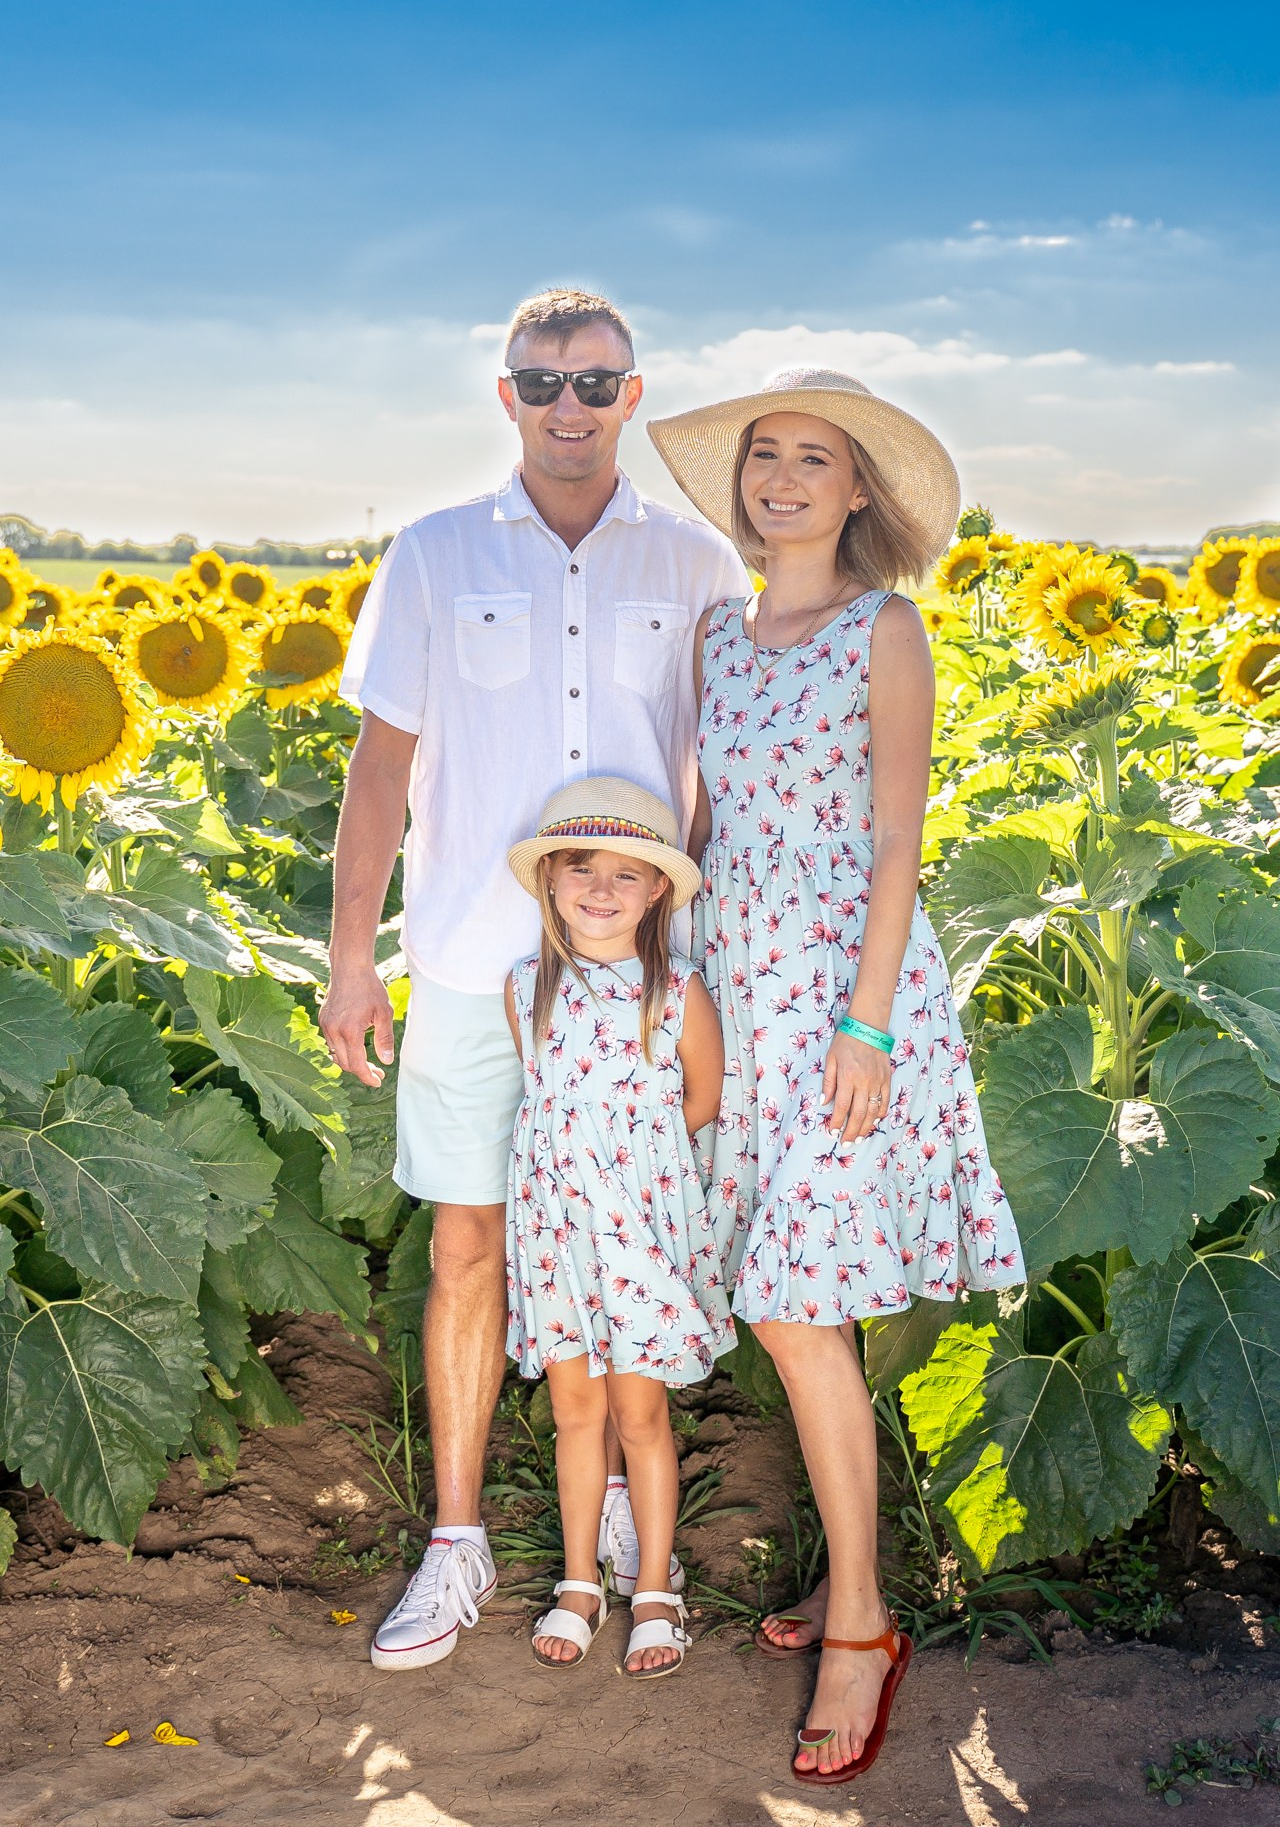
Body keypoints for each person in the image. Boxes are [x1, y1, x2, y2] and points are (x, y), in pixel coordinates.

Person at [319, 287, 746, 1673]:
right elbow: (380, 769)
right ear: (506, 395)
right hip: (465, 955)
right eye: (544, 381)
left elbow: (717, 771)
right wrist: (351, 958)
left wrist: (699, 949)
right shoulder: (435, 553)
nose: (571, 405)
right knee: (467, 1244)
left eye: (596, 382)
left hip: (628, 976)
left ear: (633, 395)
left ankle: (611, 1495)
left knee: (625, 1232)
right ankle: (457, 1542)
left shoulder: (694, 563)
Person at [648, 368, 1026, 1784]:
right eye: (764, 454)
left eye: (814, 457)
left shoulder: (886, 628)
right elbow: (701, 827)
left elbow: (897, 841)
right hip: (736, 989)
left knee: (798, 1312)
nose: (782, 478)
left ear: (857, 488)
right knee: (800, 1302)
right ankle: (845, 1577)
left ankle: (862, 1628)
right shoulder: (716, 634)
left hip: (841, 1000)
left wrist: (866, 1028)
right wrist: (668, 985)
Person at [502, 777, 731, 1677]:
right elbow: (545, 1107)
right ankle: (578, 1581)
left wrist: (633, 1178)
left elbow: (700, 1101)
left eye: (626, 874)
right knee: (574, 1410)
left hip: (639, 1233)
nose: (601, 889)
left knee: (640, 1412)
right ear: (551, 880)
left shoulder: (675, 992)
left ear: (657, 890)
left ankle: (656, 1588)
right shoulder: (525, 989)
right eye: (581, 869)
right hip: (557, 1233)